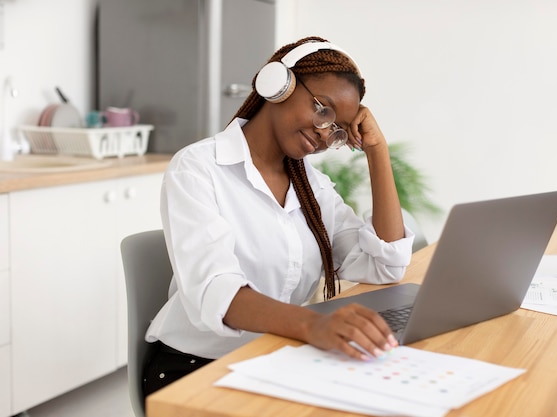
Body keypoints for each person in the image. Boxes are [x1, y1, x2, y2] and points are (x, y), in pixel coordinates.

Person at [142, 36, 415, 398]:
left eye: (337, 129)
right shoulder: (197, 168)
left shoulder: (312, 186)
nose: (323, 133)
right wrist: (314, 325)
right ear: (278, 84)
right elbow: (216, 291)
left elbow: (386, 265)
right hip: (195, 370)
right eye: (323, 110)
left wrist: (377, 152)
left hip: (274, 358)